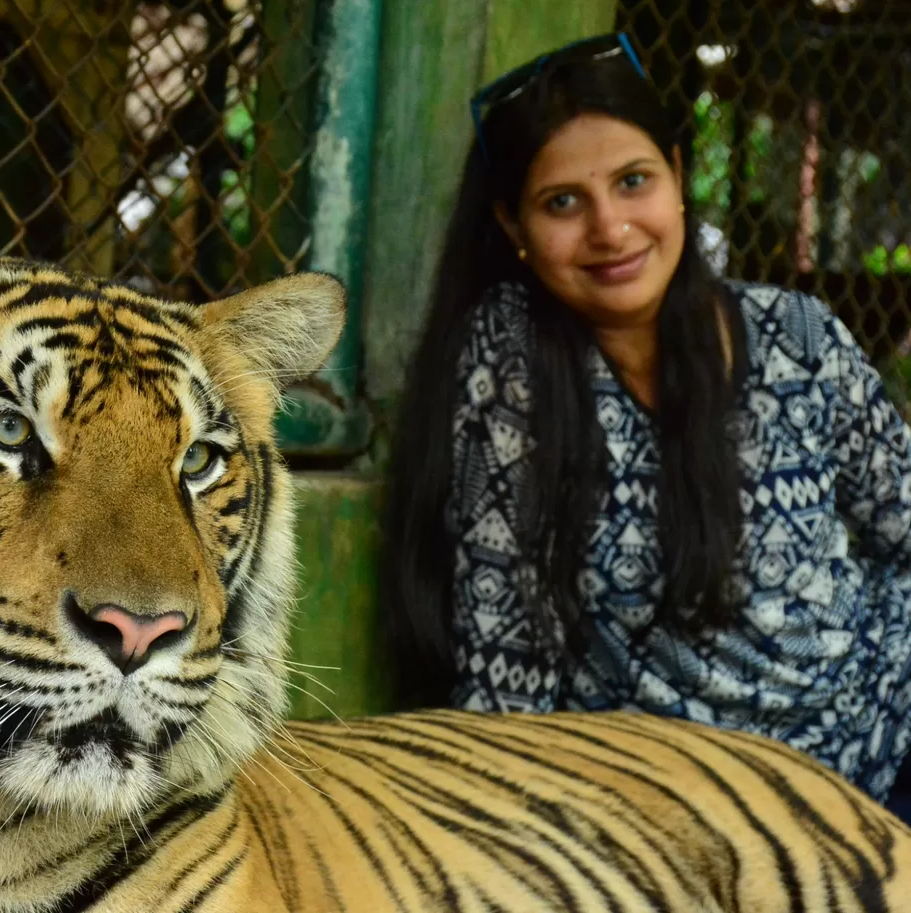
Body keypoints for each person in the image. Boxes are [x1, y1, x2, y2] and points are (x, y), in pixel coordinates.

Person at [381, 31, 911, 820]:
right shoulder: (515, 367)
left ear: (679, 178)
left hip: (888, 742)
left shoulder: (802, 337)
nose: (610, 227)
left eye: (635, 182)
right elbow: (506, 669)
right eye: (563, 201)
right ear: (513, 226)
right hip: (696, 820)